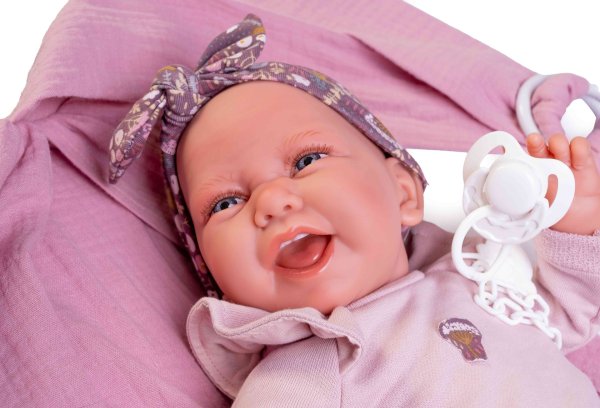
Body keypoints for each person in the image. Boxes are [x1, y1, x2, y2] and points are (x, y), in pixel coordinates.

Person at [109, 14, 600, 407]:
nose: (272, 201)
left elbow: (564, 319)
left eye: (306, 161)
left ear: (403, 193)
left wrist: (575, 226)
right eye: (225, 203)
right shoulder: (302, 379)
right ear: (210, 270)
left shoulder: (478, 279)